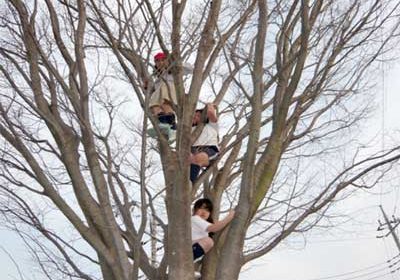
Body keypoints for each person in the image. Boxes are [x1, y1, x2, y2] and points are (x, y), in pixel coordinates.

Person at [147, 52, 192, 140]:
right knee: (154, 106)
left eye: (162, 60)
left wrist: (176, 64)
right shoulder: (158, 79)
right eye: (157, 61)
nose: (160, 63)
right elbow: (154, 90)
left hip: (171, 93)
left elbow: (191, 69)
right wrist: (147, 87)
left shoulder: (173, 71)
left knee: (165, 102)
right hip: (159, 95)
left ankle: (172, 127)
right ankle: (163, 124)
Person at [191, 198, 235, 262]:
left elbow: (216, 224)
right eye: (201, 208)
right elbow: (214, 228)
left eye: (207, 210)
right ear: (194, 210)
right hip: (186, 249)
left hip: (192, 249)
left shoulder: (203, 224)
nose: (204, 212)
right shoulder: (195, 218)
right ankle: (188, 258)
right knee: (208, 241)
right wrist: (229, 216)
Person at [190, 103, 219, 182]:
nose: (195, 117)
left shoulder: (211, 125)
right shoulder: (189, 129)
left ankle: (190, 182)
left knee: (198, 158)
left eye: (198, 116)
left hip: (209, 149)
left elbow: (211, 113)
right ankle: (185, 181)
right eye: (194, 115)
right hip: (192, 150)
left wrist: (209, 105)